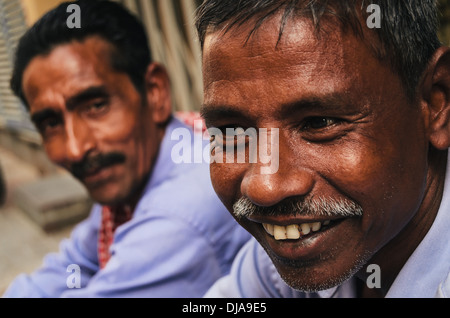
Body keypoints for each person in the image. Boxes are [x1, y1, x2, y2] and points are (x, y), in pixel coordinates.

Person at [195, 0, 450, 298]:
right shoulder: (303, 239)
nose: (264, 187)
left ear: (436, 103)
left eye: (319, 122)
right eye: (231, 132)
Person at [3, 0, 250, 298]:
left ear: (155, 92)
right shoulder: (134, 172)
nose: (75, 148)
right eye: (51, 123)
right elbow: (76, 262)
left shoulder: (179, 215)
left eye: (96, 106)